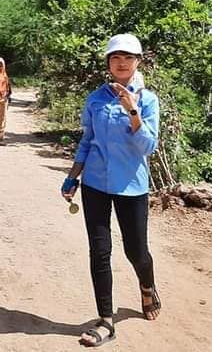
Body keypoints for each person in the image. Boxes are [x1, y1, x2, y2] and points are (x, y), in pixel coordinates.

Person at [60, 33, 162, 347]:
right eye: (115, 57)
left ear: (138, 62)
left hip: (132, 186)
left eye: (128, 57)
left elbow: (148, 146)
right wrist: (73, 176)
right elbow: (88, 140)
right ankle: (106, 320)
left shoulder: (147, 100)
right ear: (108, 62)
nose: (121, 63)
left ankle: (147, 286)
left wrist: (132, 110)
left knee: (136, 250)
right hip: (95, 184)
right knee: (100, 251)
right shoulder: (96, 99)